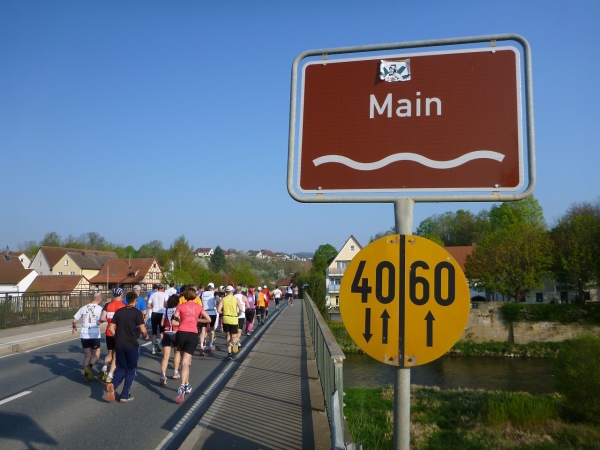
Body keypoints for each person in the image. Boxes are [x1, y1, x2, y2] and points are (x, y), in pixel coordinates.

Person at [105, 291, 149, 403]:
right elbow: (143, 329)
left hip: (119, 344)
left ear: (126, 300)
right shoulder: (137, 313)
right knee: (131, 370)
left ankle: (113, 385)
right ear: (136, 301)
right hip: (132, 344)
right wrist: (146, 336)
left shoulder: (119, 312)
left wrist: (117, 336)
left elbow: (111, 328)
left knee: (121, 368)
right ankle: (124, 395)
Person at [172, 286, 211, 403]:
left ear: (184, 296)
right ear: (194, 296)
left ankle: (187, 384)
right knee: (186, 362)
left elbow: (173, 321)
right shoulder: (198, 307)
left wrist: (183, 321)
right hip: (192, 334)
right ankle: (182, 386)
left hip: (181, 333)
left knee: (184, 362)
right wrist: (196, 320)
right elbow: (208, 319)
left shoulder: (180, 306)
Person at [72, 292, 103, 381]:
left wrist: (74, 327)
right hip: (94, 333)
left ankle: (86, 376)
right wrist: (100, 322)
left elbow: (74, 320)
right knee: (96, 355)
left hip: (84, 333)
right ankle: (89, 367)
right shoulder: (100, 309)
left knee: (87, 355)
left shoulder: (83, 308)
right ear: (100, 299)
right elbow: (102, 319)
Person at [99, 287, 126, 383]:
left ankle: (104, 368)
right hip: (118, 332)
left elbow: (102, 318)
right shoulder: (123, 306)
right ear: (121, 294)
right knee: (116, 355)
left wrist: (109, 320)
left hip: (109, 332)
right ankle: (110, 375)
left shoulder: (107, 305)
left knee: (109, 353)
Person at [159, 294, 182, 385]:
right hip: (176, 332)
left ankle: (163, 375)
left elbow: (162, 324)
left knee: (165, 356)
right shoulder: (178, 310)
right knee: (177, 353)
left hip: (167, 332)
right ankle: (175, 372)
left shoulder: (165, 310)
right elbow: (179, 321)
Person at [217, 285, 243, 361]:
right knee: (234, 336)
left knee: (228, 335)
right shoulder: (236, 299)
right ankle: (233, 343)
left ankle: (229, 354)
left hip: (226, 318)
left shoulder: (223, 299)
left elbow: (218, 310)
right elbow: (241, 308)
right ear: (232, 291)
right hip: (234, 319)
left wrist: (223, 313)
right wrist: (238, 313)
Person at [148, 283, 168, 355]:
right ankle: (158, 342)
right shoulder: (165, 294)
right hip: (162, 312)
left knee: (154, 332)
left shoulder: (153, 295)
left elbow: (148, 305)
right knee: (162, 331)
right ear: (162, 288)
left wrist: (153, 307)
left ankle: (153, 349)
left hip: (154, 313)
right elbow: (166, 304)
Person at [199, 282, 218, 354]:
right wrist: (217, 305)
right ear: (212, 288)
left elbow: (200, 303)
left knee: (203, 329)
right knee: (212, 329)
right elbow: (218, 300)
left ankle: (201, 346)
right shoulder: (214, 293)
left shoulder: (203, 293)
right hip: (212, 312)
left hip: (204, 312)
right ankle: (210, 344)